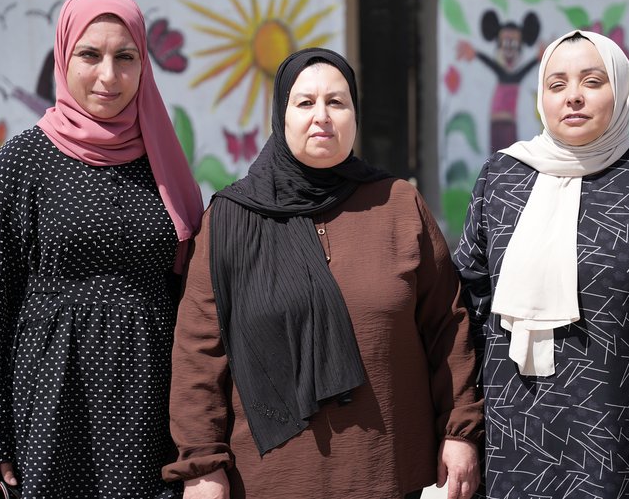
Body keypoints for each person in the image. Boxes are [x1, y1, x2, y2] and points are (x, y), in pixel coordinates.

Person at [162, 47, 483, 499]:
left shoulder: (397, 205)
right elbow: (198, 353)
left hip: (387, 474)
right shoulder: (230, 219)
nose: (322, 117)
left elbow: (448, 328)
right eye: (305, 102)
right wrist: (200, 466)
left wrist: (460, 431)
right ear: (281, 114)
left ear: (354, 115)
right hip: (268, 481)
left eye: (337, 102)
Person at [453, 29, 629, 499]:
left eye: (592, 81)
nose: (573, 97)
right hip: (514, 441)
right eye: (557, 84)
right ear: (541, 98)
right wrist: (458, 428)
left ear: (621, 89)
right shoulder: (502, 179)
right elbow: (466, 311)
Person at [0, 0, 203, 498]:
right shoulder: (19, 167)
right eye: (90, 55)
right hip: (47, 404)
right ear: (64, 57)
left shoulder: (162, 161)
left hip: (147, 407)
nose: (108, 76)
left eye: (125, 57)